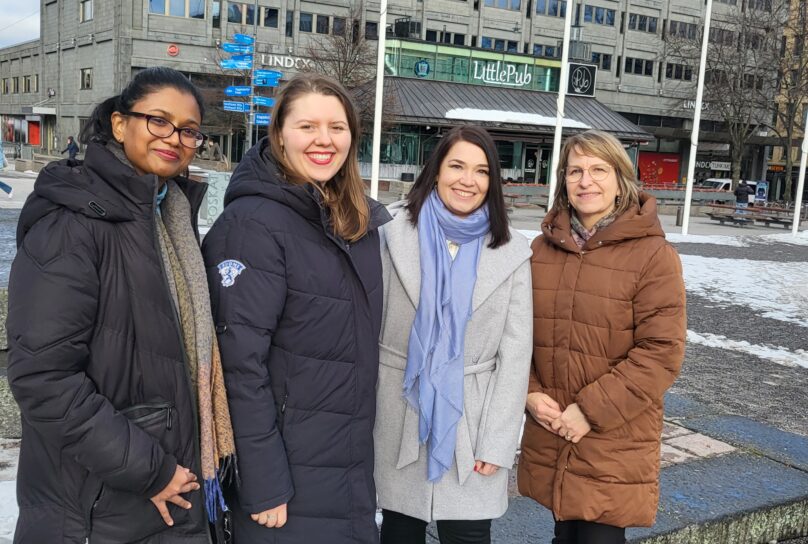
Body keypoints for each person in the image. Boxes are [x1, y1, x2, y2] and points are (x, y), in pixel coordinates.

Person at [6, 67, 235, 543]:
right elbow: (43, 378)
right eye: (158, 120)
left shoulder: (168, 215)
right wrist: (151, 470)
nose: (173, 137)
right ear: (118, 124)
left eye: (188, 130)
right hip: (100, 504)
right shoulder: (73, 223)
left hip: (163, 496)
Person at [201, 73, 391, 544]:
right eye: (307, 126)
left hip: (345, 471)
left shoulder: (352, 222)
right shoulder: (251, 226)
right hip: (285, 482)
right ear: (279, 133)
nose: (324, 140)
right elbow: (238, 366)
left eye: (337, 127)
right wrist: (263, 485)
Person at [518, 130, 686, 544]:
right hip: (554, 426)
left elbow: (661, 352)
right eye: (575, 170)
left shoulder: (652, 255)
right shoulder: (541, 250)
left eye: (598, 169)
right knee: (564, 530)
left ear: (620, 179)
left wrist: (590, 411)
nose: (585, 181)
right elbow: (517, 333)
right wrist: (529, 392)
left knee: (598, 535)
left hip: (614, 432)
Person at [374, 125, 533, 544]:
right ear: (436, 170)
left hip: (473, 423)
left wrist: (497, 444)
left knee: (468, 535)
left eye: (481, 171)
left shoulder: (513, 251)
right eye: (457, 166)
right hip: (399, 412)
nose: (468, 180)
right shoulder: (390, 231)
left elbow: (515, 356)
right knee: (398, 531)